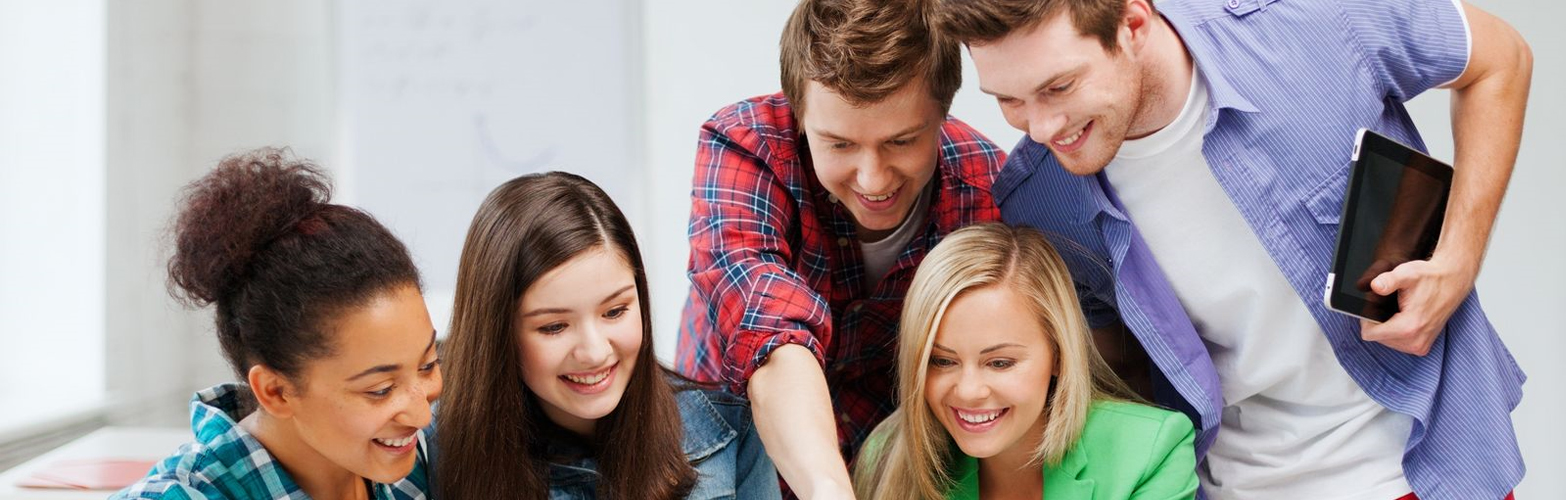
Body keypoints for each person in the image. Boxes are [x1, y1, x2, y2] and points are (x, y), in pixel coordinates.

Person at [932, 0, 1532, 498]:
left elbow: (1500, 58)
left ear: (1132, 23)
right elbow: (1118, 385)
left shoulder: (1307, 22)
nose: (1039, 127)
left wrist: (1459, 256)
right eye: (1009, 100)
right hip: (1231, 486)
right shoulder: (1039, 195)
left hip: (1431, 462)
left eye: (1058, 86)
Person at [675, 0, 1006, 496]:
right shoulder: (744, 146)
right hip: (728, 437)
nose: (873, 179)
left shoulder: (986, 189)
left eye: (901, 141)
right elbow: (771, 333)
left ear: (943, 111)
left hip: (896, 448)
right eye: (839, 144)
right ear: (799, 114)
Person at [115, 149, 441, 500]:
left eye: (427, 365)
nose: (422, 414)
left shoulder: (418, 463)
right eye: (380, 389)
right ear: (275, 391)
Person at [434, 172, 779, 500]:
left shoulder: (733, 434)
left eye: (615, 312)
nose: (595, 352)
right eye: (554, 327)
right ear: (497, 333)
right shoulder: (433, 447)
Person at [854, 223, 1197, 500]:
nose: (969, 391)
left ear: (1059, 355)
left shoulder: (1150, 450)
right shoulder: (885, 458)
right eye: (942, 361)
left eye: (1000, 363)